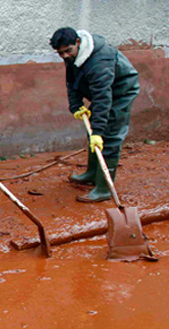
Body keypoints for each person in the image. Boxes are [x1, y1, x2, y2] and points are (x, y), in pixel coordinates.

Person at [50, 27, 140, 202]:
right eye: (60, 53)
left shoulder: (100, 61)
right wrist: (76, 106)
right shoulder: (72, 54)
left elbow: (102, 98)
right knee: (92, 130)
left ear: (77, 42)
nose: (65, 56)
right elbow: (71, 81)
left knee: (110, 136)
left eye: (67, 51)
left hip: (120, 93)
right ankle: (92, 173)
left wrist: (98, 133)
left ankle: (104, 188)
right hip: (102, 92)